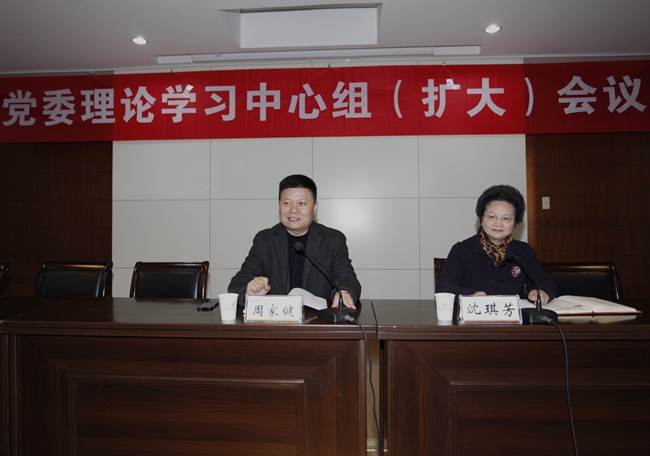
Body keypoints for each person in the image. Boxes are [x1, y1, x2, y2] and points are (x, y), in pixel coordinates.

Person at [228, 174, 361, 309]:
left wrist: (343, 293)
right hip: (277, 318)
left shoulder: (333, 239)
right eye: (287, 203)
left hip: (318, 318)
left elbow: (348, 280)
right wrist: (248, 292)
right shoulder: (265, 240)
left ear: (314, 208)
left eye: (301, 203)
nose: (293, 210)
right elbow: (238, 283)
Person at [436, 184, 557, 305]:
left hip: (511, 316)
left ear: (515, 222)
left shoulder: (523, 251)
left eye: (506, 218)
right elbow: (444, 288)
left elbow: (544, 282)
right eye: (492, 217)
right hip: (475, 315)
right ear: (481, 218)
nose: (498, 224)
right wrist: (472, 295)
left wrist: (541, 292)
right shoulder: (462, 250)